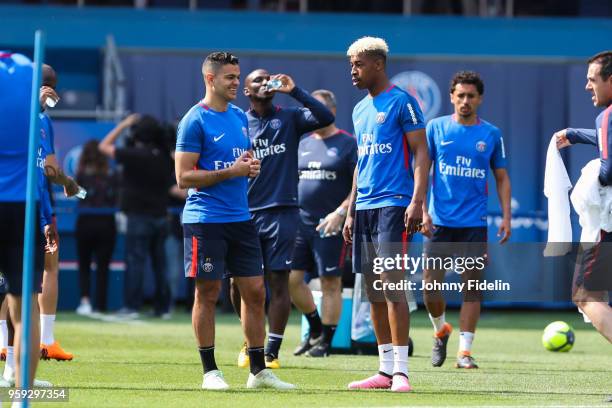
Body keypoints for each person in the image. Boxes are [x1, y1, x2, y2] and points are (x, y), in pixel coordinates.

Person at [175, 51, 294, 390]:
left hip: (241, 218)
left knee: (256, 292)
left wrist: (248, 167)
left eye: (237, 76)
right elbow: (184, 177)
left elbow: (239, 162)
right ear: (210, 79)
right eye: (229, 77)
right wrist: (233, 171)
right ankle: (210, 371)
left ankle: (259, 371)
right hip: (205, 220)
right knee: (208, 293)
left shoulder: (240, 116)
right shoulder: (194, 120)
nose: (236, 83)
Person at [232, 68, 334, 368]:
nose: (265, 83)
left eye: (268, 79)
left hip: (282, 211)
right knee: (236, 286)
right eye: (257, 81)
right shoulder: (238, 122)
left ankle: (271, 352)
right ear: (246, 91)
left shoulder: (289, 117)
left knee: (279, 282)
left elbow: (325, 118)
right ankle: (251, 339)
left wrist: (296, 91)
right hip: (243, 213)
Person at [343, 37, 429, 392]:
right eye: (350, 65)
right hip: (364, 208)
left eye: (358, 64)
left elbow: (422, 152)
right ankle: (383, 370)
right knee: (373, 291)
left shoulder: (402, 102)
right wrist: (350, 209)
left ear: (378, 64)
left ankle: (403, 373)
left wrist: (417, 200)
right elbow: (360, 164)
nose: (353, 71)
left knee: (393, 286)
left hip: (393, 204)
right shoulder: (359, 109)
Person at [421, 71, 512, 369]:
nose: (465, 101)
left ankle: (464, 353)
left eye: (471, 96)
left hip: (474, 224)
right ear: (451, 97)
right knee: (429, 286)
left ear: (480, 99)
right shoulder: (435, 128)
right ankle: (441, 330)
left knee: (472, 287)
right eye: (460, 95)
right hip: (439, 223)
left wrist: (506, 217)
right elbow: (422, 170)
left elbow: (501, 177)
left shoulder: (491, 135)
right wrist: (421, 209)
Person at [288, 89, 357, 358]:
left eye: (320, 108)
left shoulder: (348, 143)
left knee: (330, 282)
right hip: (299, 222)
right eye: (310, 110)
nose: (314, 115)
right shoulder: (303, 142)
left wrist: (340, 212)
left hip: (331, 223)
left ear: (332, 111)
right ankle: (315, 328)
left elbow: (358, 184)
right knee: (290, 280)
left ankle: (326, 342)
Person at [555, 50, 612, 343]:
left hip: (607, 224)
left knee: (586, 296)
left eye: (592, 80)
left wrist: (593, 178)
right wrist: (577, 134)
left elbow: (609, 169)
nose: (587, 86)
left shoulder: (608, 115)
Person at [0, 51, 46, 388]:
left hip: (21, 204)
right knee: (24, 304)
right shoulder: (28, 69)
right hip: (21, 207)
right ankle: (22, 392)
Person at [99, 113, 173, 318]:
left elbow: (103, 146)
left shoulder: (133, 154)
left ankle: (132, 306)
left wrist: (123, 124)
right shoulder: (165, 156)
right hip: (161, 215)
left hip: (138, 216)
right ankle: (163, 307)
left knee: (135, 262)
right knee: (160, 264)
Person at [37, 64, 78, 361]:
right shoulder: (33, 118)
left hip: (30, 201)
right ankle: (42, 340)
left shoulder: (42, 121)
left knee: (39, 267)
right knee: (43, 268)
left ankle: (11, 343)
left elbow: (50, 168)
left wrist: (66, 181)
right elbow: (50, 169)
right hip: (25, 202)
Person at [75, 140, 118, 314]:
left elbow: (79, 196)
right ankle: (101, 304)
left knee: (84, 265)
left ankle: (85, 301)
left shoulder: (81, 175)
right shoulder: (111, 175)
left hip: (85, 223)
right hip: (107, 224)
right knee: (103, 267)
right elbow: (115, 199)